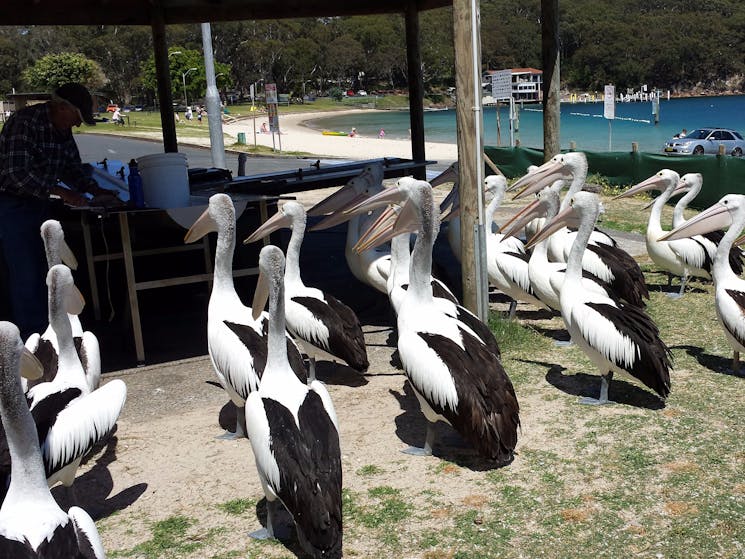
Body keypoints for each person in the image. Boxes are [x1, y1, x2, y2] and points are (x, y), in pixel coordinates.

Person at [0, 83, 115, 339]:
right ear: (61, 107)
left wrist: (95, 191)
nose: (76, 125)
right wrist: (62, 192)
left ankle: (52, 330)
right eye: (76, 116)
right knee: (25, 273)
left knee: (47, 270)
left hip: (39, 204)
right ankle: (34, 339)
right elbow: (16, 174)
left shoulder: (62, 129)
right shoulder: (25, 124)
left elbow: (72, 168)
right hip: (12, 204)